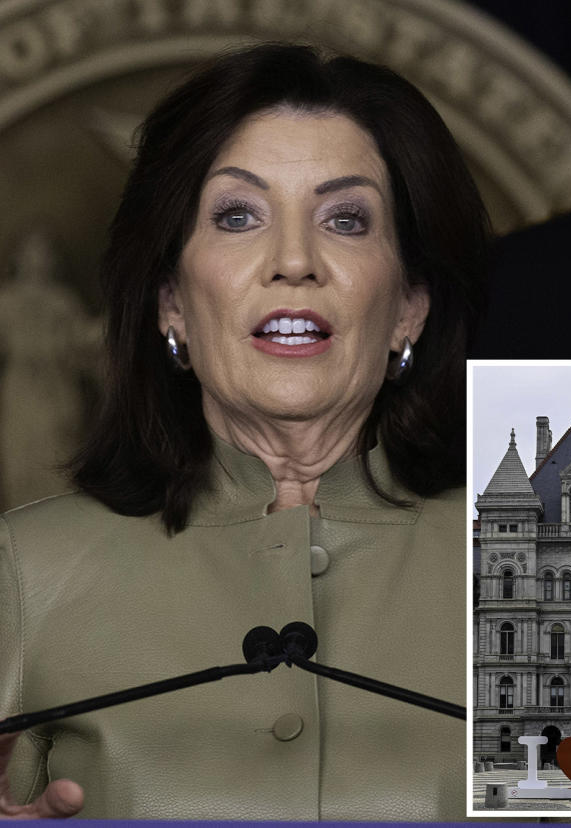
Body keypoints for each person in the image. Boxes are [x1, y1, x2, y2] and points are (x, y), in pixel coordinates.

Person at [0, 43, 488, 820]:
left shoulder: (549, 569)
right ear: (170, 303)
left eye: (346, 219)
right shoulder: (24, 572)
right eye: (237, 215)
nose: (294, 260)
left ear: (409, 308)